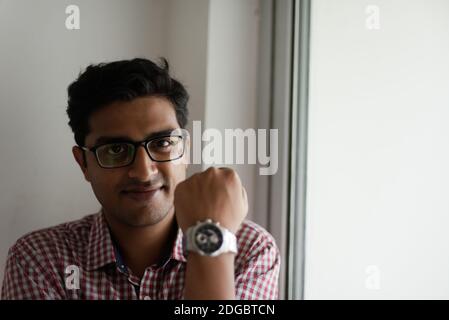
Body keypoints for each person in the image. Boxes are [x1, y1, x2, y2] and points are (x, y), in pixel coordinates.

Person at [1, 58, 280, 300]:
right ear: (83, 163)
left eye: (162, 143)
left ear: (185, 150)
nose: (144, 172)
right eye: (115, 150)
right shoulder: (40, 259)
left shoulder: (248, 250)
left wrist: (210, 242)